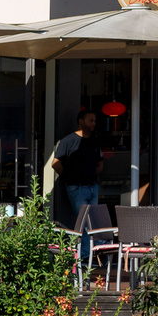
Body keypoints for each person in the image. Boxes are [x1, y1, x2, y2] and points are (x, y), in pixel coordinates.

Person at [52, 108, 102, 265]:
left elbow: (100, 163)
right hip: (76, 187)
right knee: (86, 221)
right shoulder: (68, 141)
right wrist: (69, 176)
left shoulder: (94, 141)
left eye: (94, 120)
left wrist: (92, 174)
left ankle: (89, 254)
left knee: (93, 222)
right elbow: (55, 163)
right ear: (81, 121)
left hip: (92, 187)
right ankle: (86, 256)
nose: (94, 123)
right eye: (90, 120)